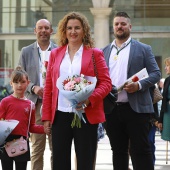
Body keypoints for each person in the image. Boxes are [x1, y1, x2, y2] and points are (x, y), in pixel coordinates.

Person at [41, 12, 112, 170]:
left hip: (86, 115)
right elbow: (49, 88)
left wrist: (89, 99)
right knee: (59, 161)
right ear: (64, 31)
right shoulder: (55, 54)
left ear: (84, 30)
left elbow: (106, 83)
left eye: (77, 28)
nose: (73, 31)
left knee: (85, 162)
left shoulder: (95, 54)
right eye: (69, 28)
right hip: (60, 115)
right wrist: (46, 116)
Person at [102, 11, 161, 170]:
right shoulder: (104, 51)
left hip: (136, 109)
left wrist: (139, 85)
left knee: (141, 151)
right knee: (118, 151)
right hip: (112, 110)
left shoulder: (143, 48)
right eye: (116, 24)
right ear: (113, 27)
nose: (119, 27)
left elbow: (156, 73)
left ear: (130, 26)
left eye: (123, 24)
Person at [18, 19, 57, 170]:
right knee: (37, 148)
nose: (43, 31)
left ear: (51, 31)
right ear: (35, 31)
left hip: (55, 106)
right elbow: (19, 76)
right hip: (35, 106)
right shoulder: (26, 51)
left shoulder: (59, 50)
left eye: (46, 28)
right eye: (40, 28)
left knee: (57, 148)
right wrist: (33, 87)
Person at [0, 66, 50, 170]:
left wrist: (44, 129)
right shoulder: (5, 102)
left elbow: (31, 127)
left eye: (23, 82)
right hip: (5, 143)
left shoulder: (30, 105)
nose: (19, 85)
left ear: (28, 83)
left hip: (22, 143)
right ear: (11, 83)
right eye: (16, 82)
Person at [158, 57, 170, 141]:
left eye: (167, 65)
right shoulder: (167, 80)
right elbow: (164, 100)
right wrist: (160, 120)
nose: (165, 68)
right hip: (168, 113)